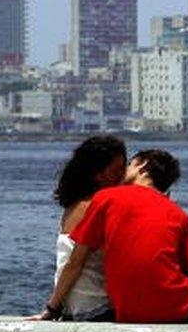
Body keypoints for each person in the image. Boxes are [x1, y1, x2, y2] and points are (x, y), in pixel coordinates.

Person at [35, 149, 188, 324]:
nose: (122, 172)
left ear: (142, 166)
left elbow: (74, 262)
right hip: (175, 306)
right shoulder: (178, 214)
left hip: (128, 310)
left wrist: (52, 309)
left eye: (129, 164)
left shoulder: (105, 198)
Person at [31, 136, 126, 322]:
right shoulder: (97, 208)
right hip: (96, 307)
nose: (124, 176)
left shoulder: (74, 205)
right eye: (117, 171)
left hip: (73, 307)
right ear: (98, 175)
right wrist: (51, 309)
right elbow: (75, 264)